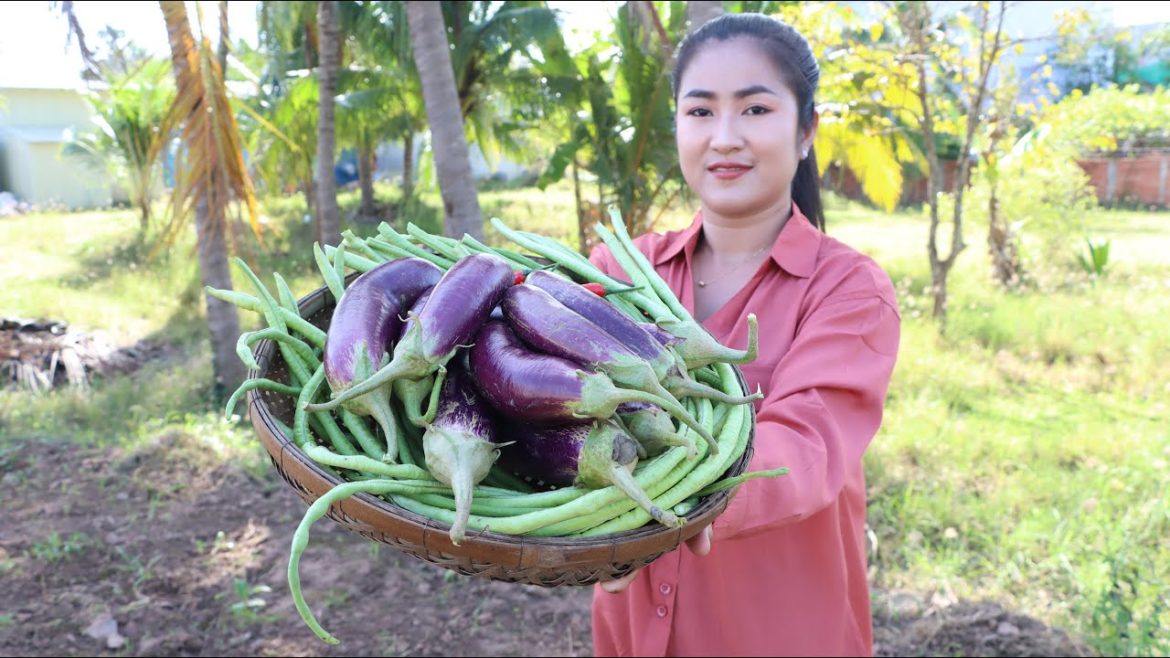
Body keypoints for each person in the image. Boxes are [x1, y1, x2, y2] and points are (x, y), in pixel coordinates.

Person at [586, 13, 902, 657]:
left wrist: (681, 498)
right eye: (699, 113)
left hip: (781, 630)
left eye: (755, 109)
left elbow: (806, 446)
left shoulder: (848, 289)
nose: (724, 137)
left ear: (807, 129)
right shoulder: (617, 269)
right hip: (631, 630)